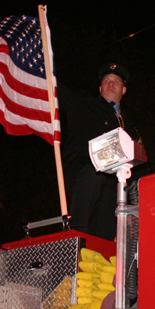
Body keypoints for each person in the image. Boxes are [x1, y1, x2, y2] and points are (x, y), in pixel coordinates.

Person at [59, 64, 142, 240]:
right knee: (95, 173)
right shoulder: (84, 104)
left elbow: (137, 157)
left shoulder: (129, 123)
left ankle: (103, 249)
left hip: (113, 182)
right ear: (100, 88)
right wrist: (41, 69)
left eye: (116, 81)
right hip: (81, 171)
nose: (111, 84)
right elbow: (58, 91)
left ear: (124, 89)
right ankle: (74, 235)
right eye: (107, 81)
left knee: (107, 218)